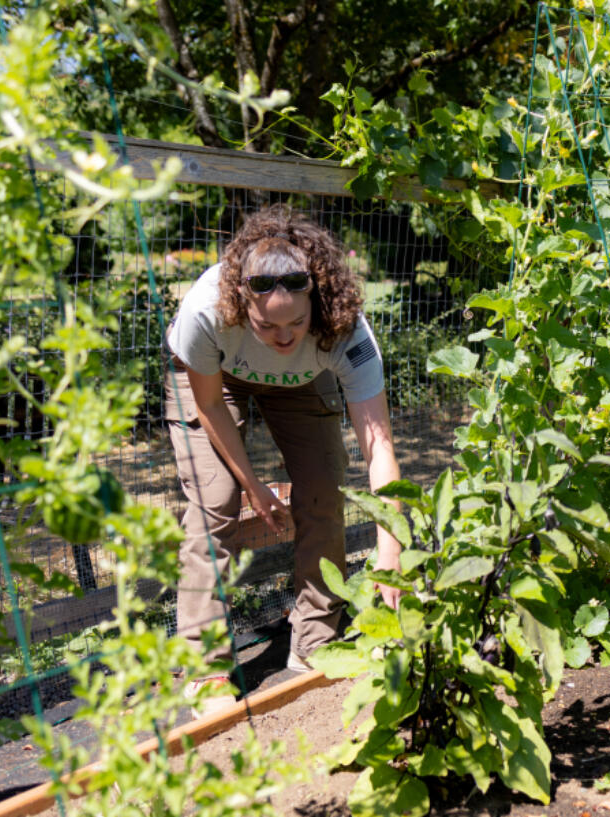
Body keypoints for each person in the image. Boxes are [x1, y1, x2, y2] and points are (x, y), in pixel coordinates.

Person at [164, 204, 402, 714]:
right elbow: (207, 405)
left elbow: (378, 445)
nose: (285, 338)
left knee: (323, 492)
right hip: (214, 382)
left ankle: (314, 640)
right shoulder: (207, 313)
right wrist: (254, 487)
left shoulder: (345, 329)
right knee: (216, 501)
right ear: (241, 306)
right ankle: (205, 667)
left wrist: (390, 553)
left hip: (302, 382)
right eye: (268, 326)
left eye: (296, 322)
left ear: (316, 303)